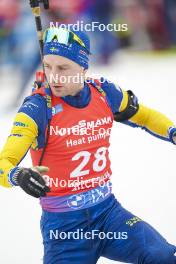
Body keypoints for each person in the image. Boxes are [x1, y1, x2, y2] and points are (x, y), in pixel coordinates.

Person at [0, 26, 176, 264]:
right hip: (65, 230)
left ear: (84, 68)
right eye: (48, 66)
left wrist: (172, 132)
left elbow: (143, 116)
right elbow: (4, 164)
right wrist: (18, 175)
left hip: (109, 215)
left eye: (63, 68)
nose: (54, 76)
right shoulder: (37, 108)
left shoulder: (103, 92)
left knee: (162, 256)